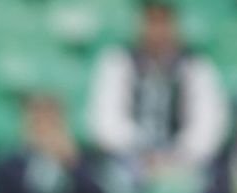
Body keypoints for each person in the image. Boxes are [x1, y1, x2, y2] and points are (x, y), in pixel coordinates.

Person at [86, 1, 228, 180]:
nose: (158, 32)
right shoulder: (118, 62)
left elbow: (209, 126)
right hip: (128, 160)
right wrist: (141, 150)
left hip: (184, 163)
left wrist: (176, 156)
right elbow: (105, 123)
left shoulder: (196, 66)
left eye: (164, 22)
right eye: (152, 22)